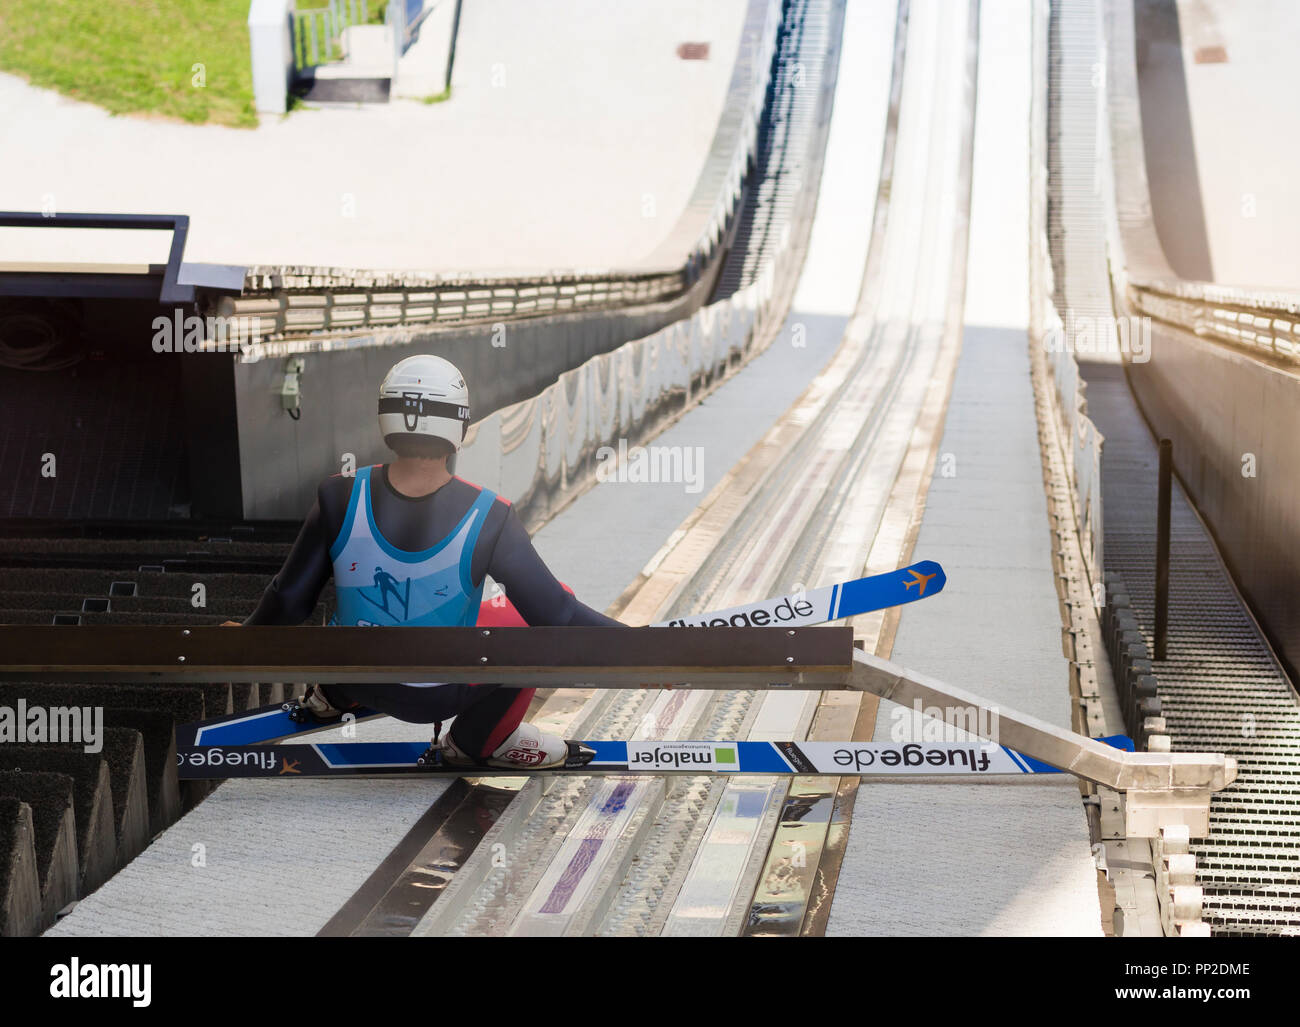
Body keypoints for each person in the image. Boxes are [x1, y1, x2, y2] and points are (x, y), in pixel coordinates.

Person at [235, 353, 621, 769]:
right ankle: (477, 740)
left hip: (353, 673)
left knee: (356, 610)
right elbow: (557, 616)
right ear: (459, 425)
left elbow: (290, 600)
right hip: (433, 695)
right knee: (535, 619)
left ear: (386, 418)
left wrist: (241, 638)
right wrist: (645, 645)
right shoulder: (489, 514)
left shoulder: (340, 495)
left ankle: (330, 697)